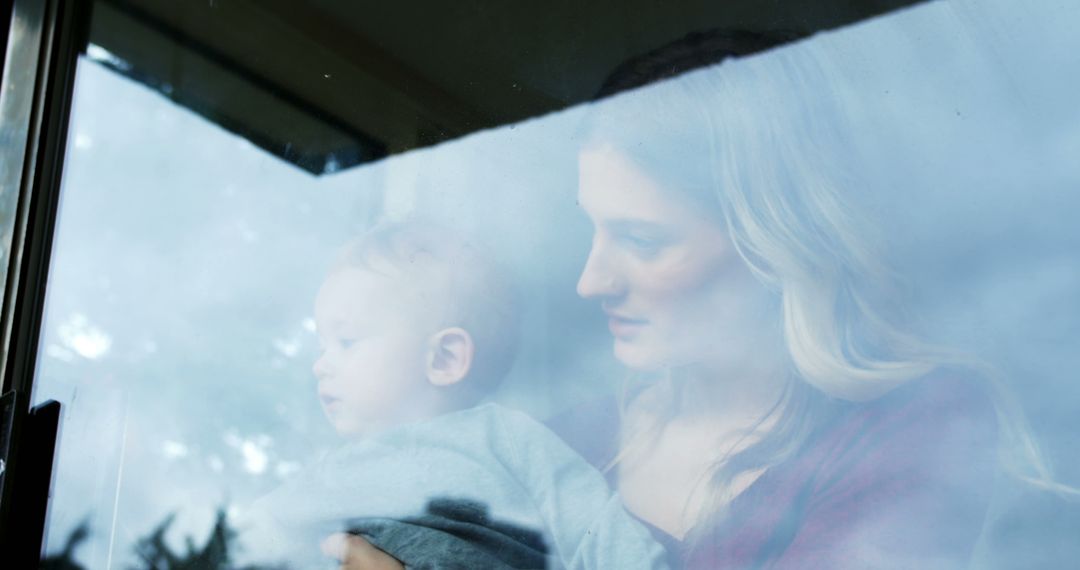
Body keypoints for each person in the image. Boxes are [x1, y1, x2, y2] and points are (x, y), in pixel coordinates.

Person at [325, 31, 1068, 569]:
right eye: (592, 229)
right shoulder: (564, 444)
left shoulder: (913, 431)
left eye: (643, 241)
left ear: (772, 245)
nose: (592, 281)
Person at [247, 221, 671, 569]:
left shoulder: (508, 439)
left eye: (347, 341)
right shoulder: (338, 468)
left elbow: (601, 533)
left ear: (445, 358)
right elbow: (252, 535)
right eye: (323, 346)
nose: (321, 364)